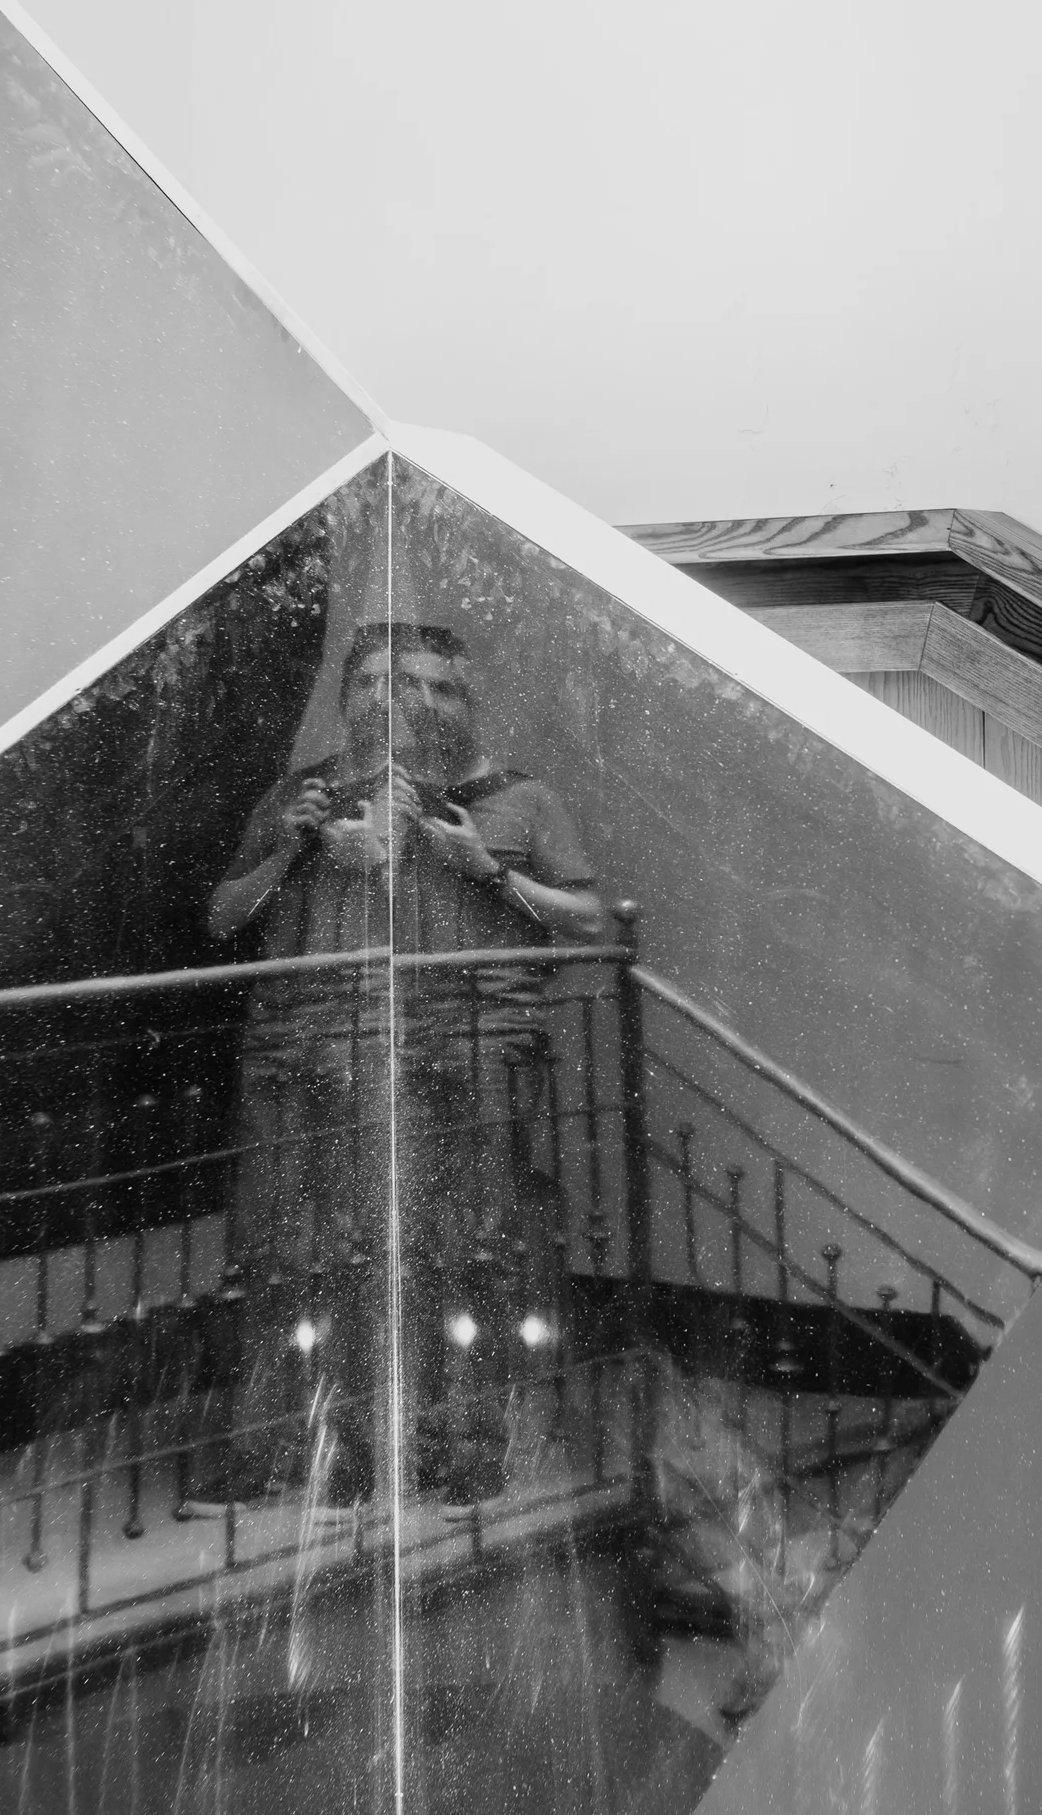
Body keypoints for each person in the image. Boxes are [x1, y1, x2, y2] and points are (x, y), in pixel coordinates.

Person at [191, 619, 610, 1515]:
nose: (404, 702)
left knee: (465, 1249)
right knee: (288, 1253)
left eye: (433, 686)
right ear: (346, 697)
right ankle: (298, 1449)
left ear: (468, 701)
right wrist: (292, 845)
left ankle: (463, 1445)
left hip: (461, 1050)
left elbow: (597, 924)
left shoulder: (518, 798)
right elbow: (223, 918)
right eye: (378, 682)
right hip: (306, 1048)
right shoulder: (299, 795)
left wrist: (485, 868)